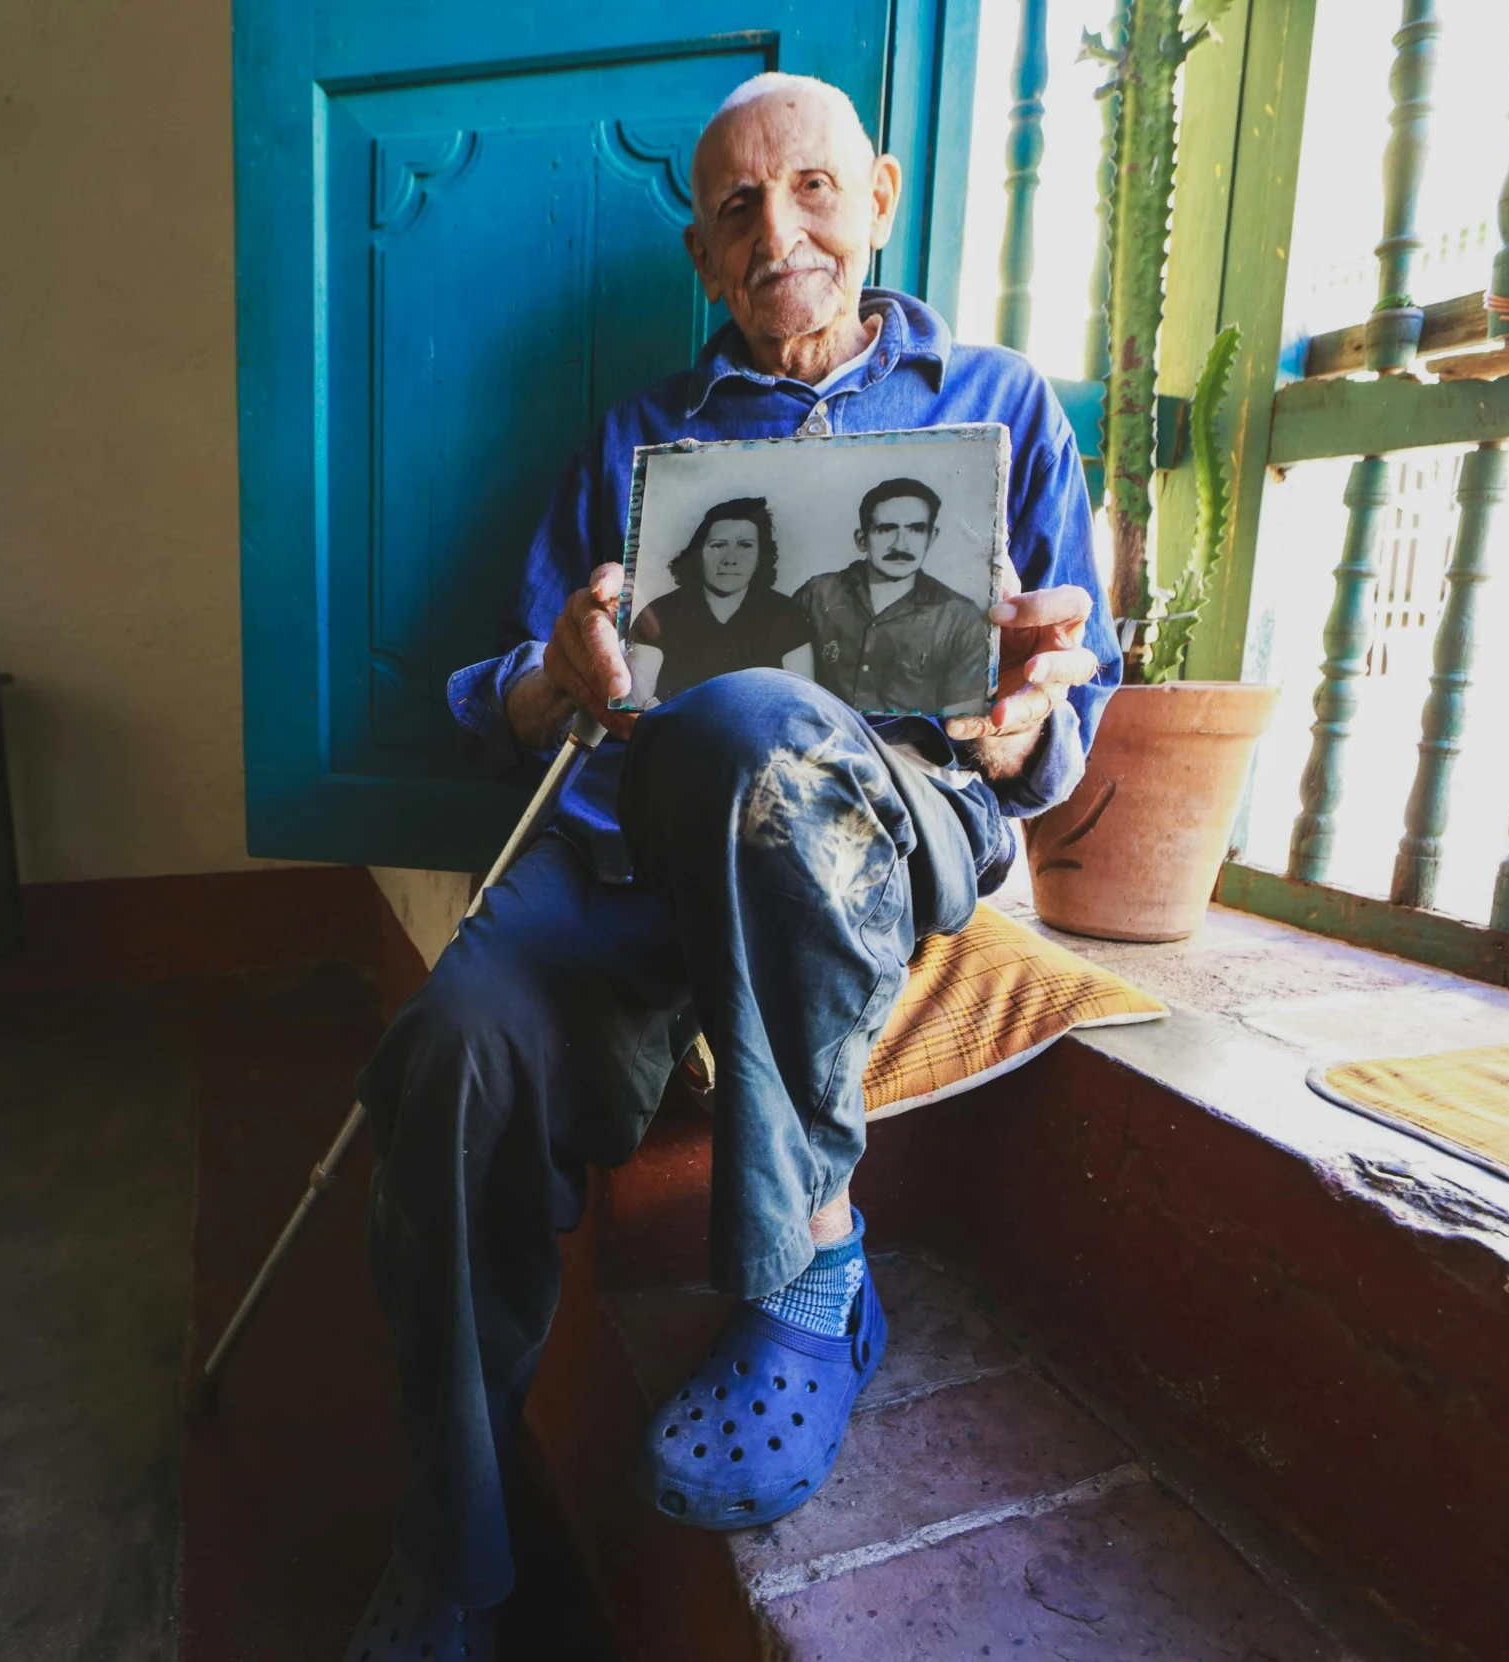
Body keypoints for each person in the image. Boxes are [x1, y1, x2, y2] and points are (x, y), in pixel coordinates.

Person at [345, 70, 1118, 1659]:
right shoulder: (643, 436)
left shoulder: (998, 404)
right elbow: (505, 695)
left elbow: (1069, 713)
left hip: (871, 816)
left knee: (755, 721)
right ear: (700, 254)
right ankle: (454, 1550)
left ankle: (804, 1265)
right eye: (738, 211)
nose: (782, 234)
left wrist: (1023, 719)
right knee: (451, 1051)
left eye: (814, 189)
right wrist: (559, 672)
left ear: (880, 198)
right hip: (633, 839)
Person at [795, 476, 993, 714]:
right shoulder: (817, 594)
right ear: (861, 539)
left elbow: (962, 723)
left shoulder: (959, 617)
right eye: (886, 529)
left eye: (916, 530)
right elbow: (781, 689)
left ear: (931, 538)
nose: (901, 544)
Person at [624, 495, 813, 704]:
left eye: (745, 545)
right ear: (697, 553)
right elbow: (637, 707)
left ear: (761, 555)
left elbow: (802, 707)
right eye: (718, 545)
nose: (730, 559)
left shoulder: (788, 616)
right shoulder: (658, 614)